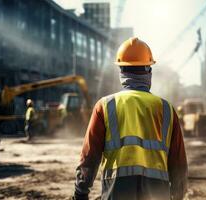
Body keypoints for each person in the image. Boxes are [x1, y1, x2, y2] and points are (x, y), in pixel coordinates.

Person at [73, 37, 188, 200]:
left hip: (116, 191)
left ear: (121, 71)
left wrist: (80, 192)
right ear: (149, 70)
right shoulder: (166, 109)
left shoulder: (105, 106)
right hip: (157, 193)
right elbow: (179, 164)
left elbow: (89, 157)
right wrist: (178, 195)